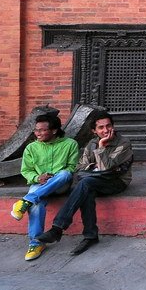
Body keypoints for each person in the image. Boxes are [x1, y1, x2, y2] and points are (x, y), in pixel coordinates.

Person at [34, 110, 133, 254]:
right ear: (94, 130)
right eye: (101, 127)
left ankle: (58, 228)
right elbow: (79, 167)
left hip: (117, 181)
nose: (106, 130)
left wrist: (101, 148)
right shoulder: (91, 144)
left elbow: (107, 168)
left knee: (85, 184)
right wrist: (95, 166)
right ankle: (90, 235)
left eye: (109, 126)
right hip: (94, 181)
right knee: (86, 187)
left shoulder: (123, 143)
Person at [11, 113, 79, 261]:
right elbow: (26, 171)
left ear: (54, 130)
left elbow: (72, 167)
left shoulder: (70, 144)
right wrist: (37, 178)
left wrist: (53, 177)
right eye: (36, 130)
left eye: (42, 130)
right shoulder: (31, 148)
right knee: (36, 205)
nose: (38, 133)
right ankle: (36, 243)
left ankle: (26, 200)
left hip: (60, 184)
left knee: (65, 174)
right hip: (39, 184)